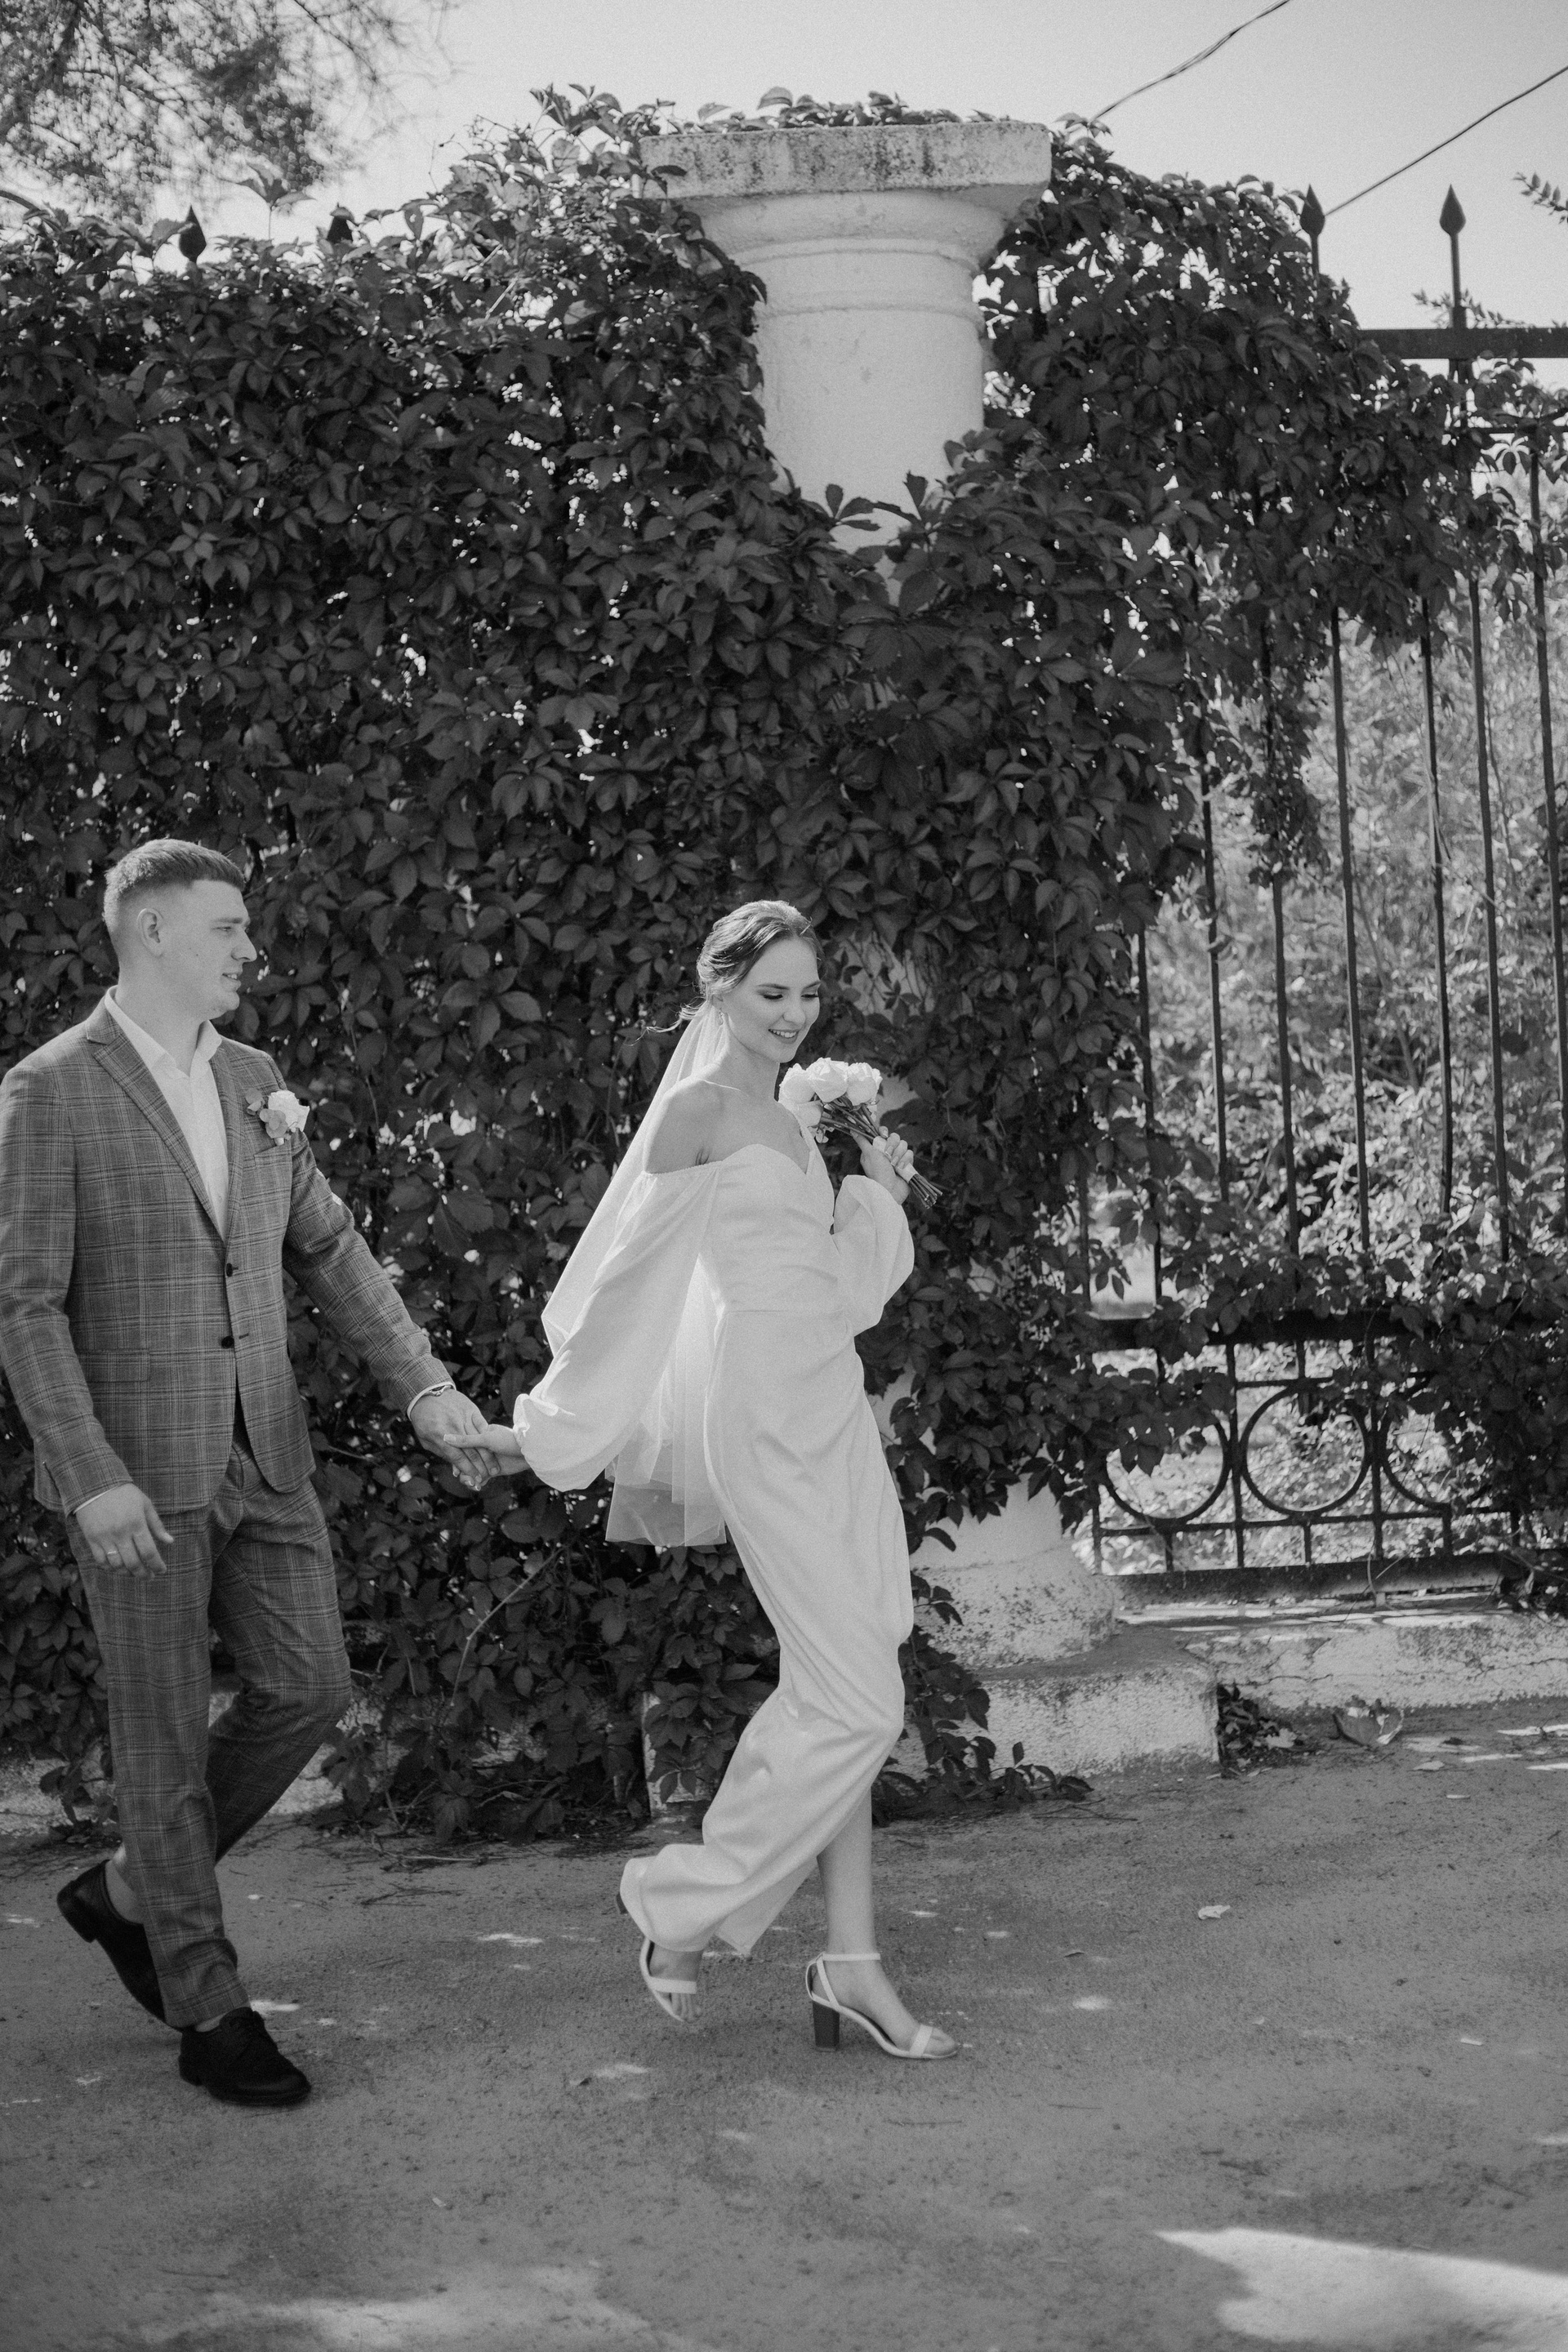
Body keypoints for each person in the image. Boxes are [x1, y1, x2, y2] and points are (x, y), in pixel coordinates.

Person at [0, 840, 494, 2109]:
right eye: (226, 927)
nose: (248, 948)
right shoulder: (49, 1090)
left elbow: (329, 1249)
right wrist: (87, 1470)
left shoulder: (258, 1081)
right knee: (160, 1742)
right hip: (136, 1476)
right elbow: (26, 1305)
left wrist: (426, 1387)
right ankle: (208, 2006)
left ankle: (128, 1891)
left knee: (311, 1687)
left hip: (266, 1452)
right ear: (151, 930)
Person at [477, 901, 957, 2060]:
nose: (794, 1015)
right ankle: (680, 1906)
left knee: (850, 1677)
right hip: (765, 1424)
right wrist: (543, 1430)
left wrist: (876, 1192)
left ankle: (851, 1964)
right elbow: (632, 1284)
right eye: (770, 993)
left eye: (808, 994)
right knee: (859, 1703)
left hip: (832, 1409)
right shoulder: (697, 1113)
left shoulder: (795, 1125)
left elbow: (839, 1294)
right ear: (719, 992)